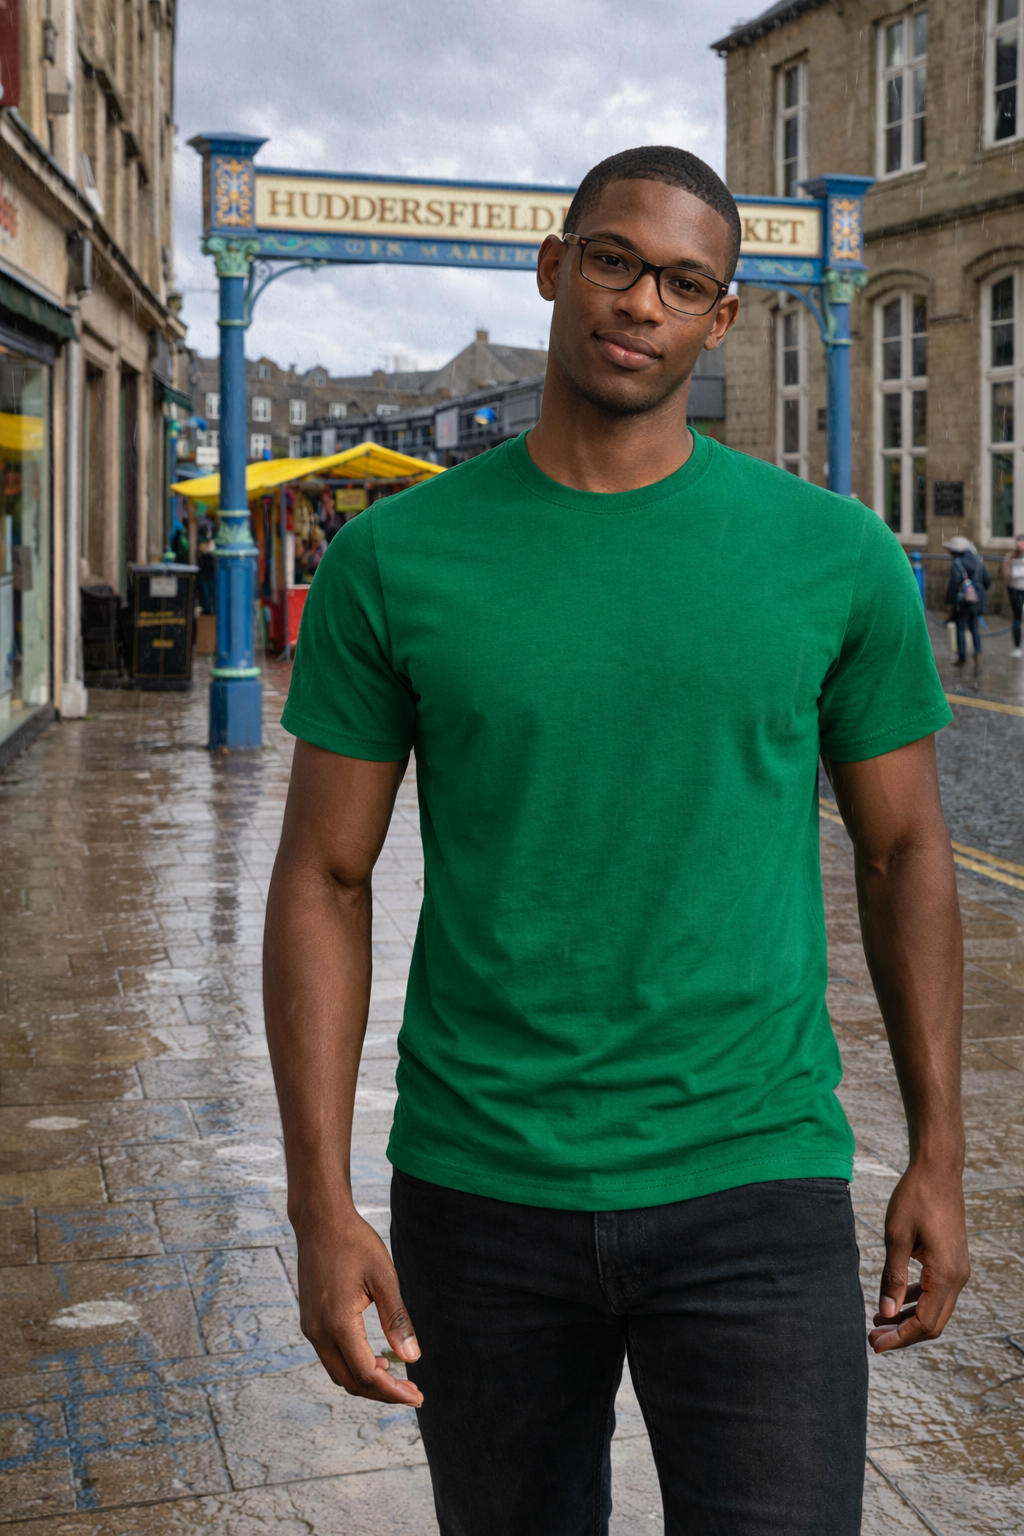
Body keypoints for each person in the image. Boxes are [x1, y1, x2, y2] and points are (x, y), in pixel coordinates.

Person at [265, 147, 968, 1536]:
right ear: (555, 264)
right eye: (616, 261)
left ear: (721, 319)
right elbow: (324, 877)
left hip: (754, 1178)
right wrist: (318, 1205)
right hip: (480, 1186)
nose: (643, 300)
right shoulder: (394, 561)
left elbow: (906, 855)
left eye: (684, 282)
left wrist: (941, 1150)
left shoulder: (834, 557)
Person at [943, 534, 991, 667]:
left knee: (961, 628)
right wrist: (978, 590)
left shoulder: (957, 563)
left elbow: (954, 583)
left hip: (962, 602)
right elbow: (987, 581)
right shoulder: (978, 561)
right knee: (974, 627)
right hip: (977, 600)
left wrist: (948, 600)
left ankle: (962, 657)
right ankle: (977, 654)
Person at [1001, 531, 1024, 658]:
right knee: (1017, 618)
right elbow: (1007, 575)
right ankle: (1017, 646)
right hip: (1015, 590)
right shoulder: (1010, 557)